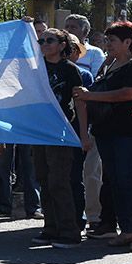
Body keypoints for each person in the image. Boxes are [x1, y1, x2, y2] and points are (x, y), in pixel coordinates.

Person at [73, 21, 132, 251]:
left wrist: (92, 98)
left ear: (128, 42)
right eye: (107, 40)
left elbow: (128, 93)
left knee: (128, 181)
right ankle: (127, 229)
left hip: (127, 133)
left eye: (113, 41)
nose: (107, 45)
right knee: (116, 182)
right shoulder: (109, 65)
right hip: (106, 132)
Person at [30, 28, 89, 249]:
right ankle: (50, 227)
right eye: (41, 40)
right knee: (44, 180)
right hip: (40, 132)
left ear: (62, 45)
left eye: (50, 40)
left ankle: (69, 231)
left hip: (62, 132)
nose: (44, 43)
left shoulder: (70, 70)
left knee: (59, 182)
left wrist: (83, 136)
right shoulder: (36, 69)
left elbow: (80, 102)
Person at [64, 14, 106, 235]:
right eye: (66, 26)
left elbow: (96, 86)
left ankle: (93, 217)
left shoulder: (93, 58)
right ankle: (68, 215)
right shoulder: (53, 66)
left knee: (90, 172)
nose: (69, 29)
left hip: (87, 126)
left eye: (73, 27)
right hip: (64, 128)